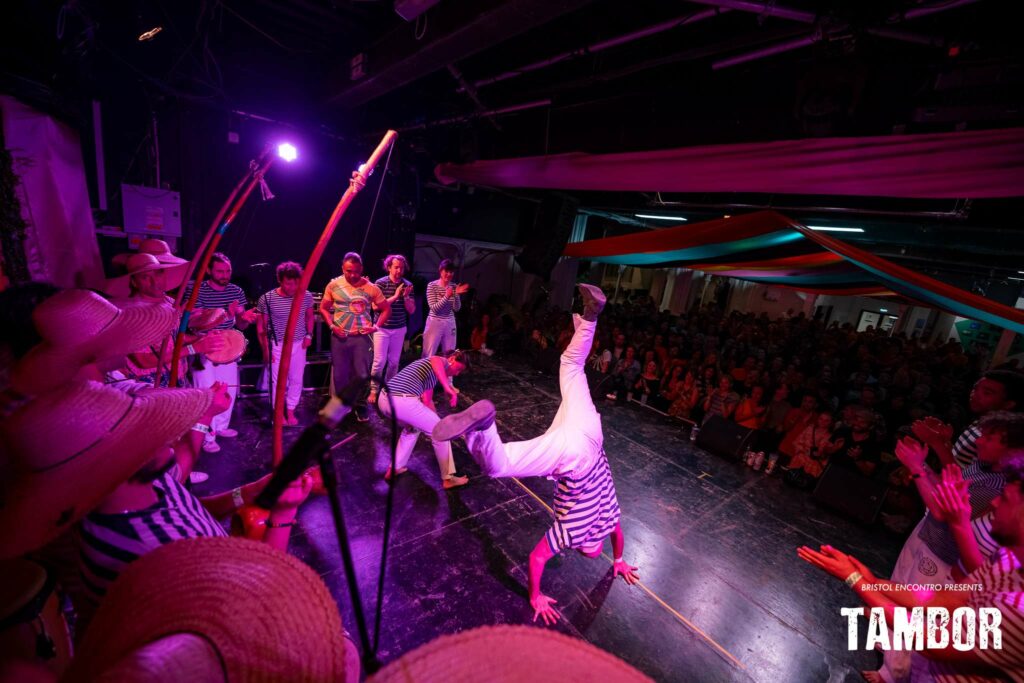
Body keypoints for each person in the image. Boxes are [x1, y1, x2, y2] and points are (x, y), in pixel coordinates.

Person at [432, 284, 640, 625]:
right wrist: (535, 596)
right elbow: (537, 558)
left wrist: (618, 559)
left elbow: (617, 534)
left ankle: (591, 317)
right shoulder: (573, 531)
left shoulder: (609, 514)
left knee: (570, 366)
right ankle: (484, 428)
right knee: (501, 465)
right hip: (573, 456)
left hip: (591, 433)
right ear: (582, 545)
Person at [798, 453, 1024, 683]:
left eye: (1005, 499)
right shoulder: (1009, 560)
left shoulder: (1019, 611)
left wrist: (855, 580)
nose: (994, 502)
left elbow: (929, 641)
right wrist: (873, 583)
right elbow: (942, 600)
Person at [184, 252, 257, 453]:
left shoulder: (236, 291)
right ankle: (207, 436)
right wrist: (225, 314)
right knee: (207, 391)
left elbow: (240, 325)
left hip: (228, 345)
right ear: (209, 271)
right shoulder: (197, 290)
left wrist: (244, 318)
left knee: (227, 389)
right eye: (220, 271)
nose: (225, 275)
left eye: (228, 271)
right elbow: (195, 322)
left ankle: (221, 426)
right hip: (203, 344)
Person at [377, 350, 470, 489]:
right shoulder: (439, 361)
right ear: (451, 359)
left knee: (413, 429)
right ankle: (448, 478)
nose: (456, 374)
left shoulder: (430, 374)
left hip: (384, 400)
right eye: (459, 369)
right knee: (441, 433)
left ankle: (395, 468)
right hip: (400, 400)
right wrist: (447, 388)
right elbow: (436, 360)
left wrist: (439, 423)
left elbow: (427, 402)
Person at [321, 252, 390, 423]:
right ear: (342, 268)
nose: (353, 275)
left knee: (361, 374)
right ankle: (342, 405)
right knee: (340, 376)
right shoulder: (333, 285)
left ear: (362, 269)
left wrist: (375, 327)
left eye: (356, 271)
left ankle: (360, 404)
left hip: (361, 338)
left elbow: (386, 309)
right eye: (349, 271)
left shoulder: (371, 288)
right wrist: (332, 326)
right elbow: (323, 308)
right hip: (340, 337)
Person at [256, 261, 315, 426]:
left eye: (296, 283)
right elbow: (261, 327)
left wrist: (309, 335)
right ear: (280, 280)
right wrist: (265, 350)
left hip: (298, 343)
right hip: (277, 344)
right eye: (289, 283)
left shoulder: (306, 296)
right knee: (276, 381)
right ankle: (277, 411)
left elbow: (309, 317)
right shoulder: (267, 298)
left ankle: (290, 409)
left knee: (296, 378)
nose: (293, 287)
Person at [369, 254, 415, 404]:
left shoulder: (407, 284)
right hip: (381, 329)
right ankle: (374, 390)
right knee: (379, 362)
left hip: (399, 328)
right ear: (389, 267)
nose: (399, 271)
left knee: (394, 362)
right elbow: (375, 307)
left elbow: (411, 310)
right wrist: (396, 296)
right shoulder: (380, 283)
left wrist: (406, 297)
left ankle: (388, 389)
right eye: (396, 267)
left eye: (401, 268)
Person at [423, 259, 468, 358]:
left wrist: (456, 294)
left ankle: (447, 369)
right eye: (446, 271)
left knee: (450, 354)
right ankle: (427, 369)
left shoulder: (454, 286)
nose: (449, 274)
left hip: (449, 321)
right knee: (428, 353)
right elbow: (434, 308)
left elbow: (457, 308)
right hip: (435, 321)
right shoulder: (432, 285)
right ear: (440, 271)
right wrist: (447, 296)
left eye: (451, 272)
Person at [786, 412, 841, 479]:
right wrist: (805, 451)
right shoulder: (810, 428)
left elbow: (826, 455)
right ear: (818, 419)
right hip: (799, 460)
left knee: (804, 482)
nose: (823, 422)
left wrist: (820, 454)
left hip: (813, 466)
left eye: (826, 420)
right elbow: (797, 441)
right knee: (790, 478)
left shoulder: (830, 437)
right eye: (821, 419)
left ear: (831, 423)